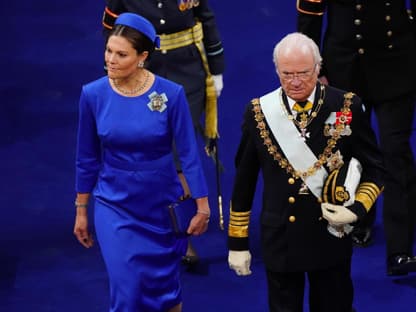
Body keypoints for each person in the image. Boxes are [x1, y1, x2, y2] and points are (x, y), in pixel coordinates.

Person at [227, 32, 384, 311]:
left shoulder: (346, 105)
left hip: (330, 235)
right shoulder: (259, 112)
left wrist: (357, 210)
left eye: (303, 73)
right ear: (276, 70)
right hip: (281, 237)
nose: (295, 82)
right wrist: (237, 243)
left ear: (318, 67)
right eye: (287, 74)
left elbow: (376, 168)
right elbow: (244, 180)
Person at [73, 13, 211, 312]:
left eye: (121, 54)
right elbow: (86, 159)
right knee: (128, 289)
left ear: (142, 57)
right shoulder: (93, 94)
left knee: (166, 293)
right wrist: (82, 209)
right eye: (109, 50)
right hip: (114, 205)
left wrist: (202, 205)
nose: (110, 59)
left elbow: (188, 154)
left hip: (160, 206)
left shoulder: (171, 95)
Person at [102, 0, 225, 265]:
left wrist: (216, 69)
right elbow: (111, 26)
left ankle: (179, 234)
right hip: (143, 74)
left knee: (179, 158)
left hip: (187, 73)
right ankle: (141, 226)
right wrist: (114, 73)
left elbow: (206, 18)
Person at [296, 0, 416, 262]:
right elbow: (310, 10)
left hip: (397, 61)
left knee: (396, 153)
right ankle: (358, 218)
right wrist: (312, 68)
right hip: (346, 68)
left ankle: (401, 249)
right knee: (351, 152)